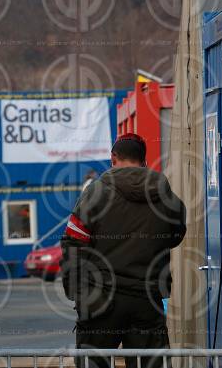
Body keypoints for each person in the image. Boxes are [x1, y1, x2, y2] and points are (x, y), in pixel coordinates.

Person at [61, 133, 186, 368]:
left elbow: (73, 244)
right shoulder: (164, 193)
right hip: (147, 300)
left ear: (113, 158)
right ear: (144, 161)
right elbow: (176, 235)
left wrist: (78, 294)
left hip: (100, 301)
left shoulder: (96, 193)